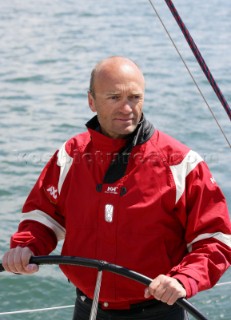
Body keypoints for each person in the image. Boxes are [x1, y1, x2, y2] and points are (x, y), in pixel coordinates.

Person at [2, 56, 231, 320]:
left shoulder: (183, 163)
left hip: (160, 310)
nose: (127, 108)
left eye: (135, 97)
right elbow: (42, 216)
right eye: (114, 97)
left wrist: (184, 279)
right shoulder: (69, 154)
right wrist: (27, 247)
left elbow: (215, 241)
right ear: (91, 101)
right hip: (88, 308)